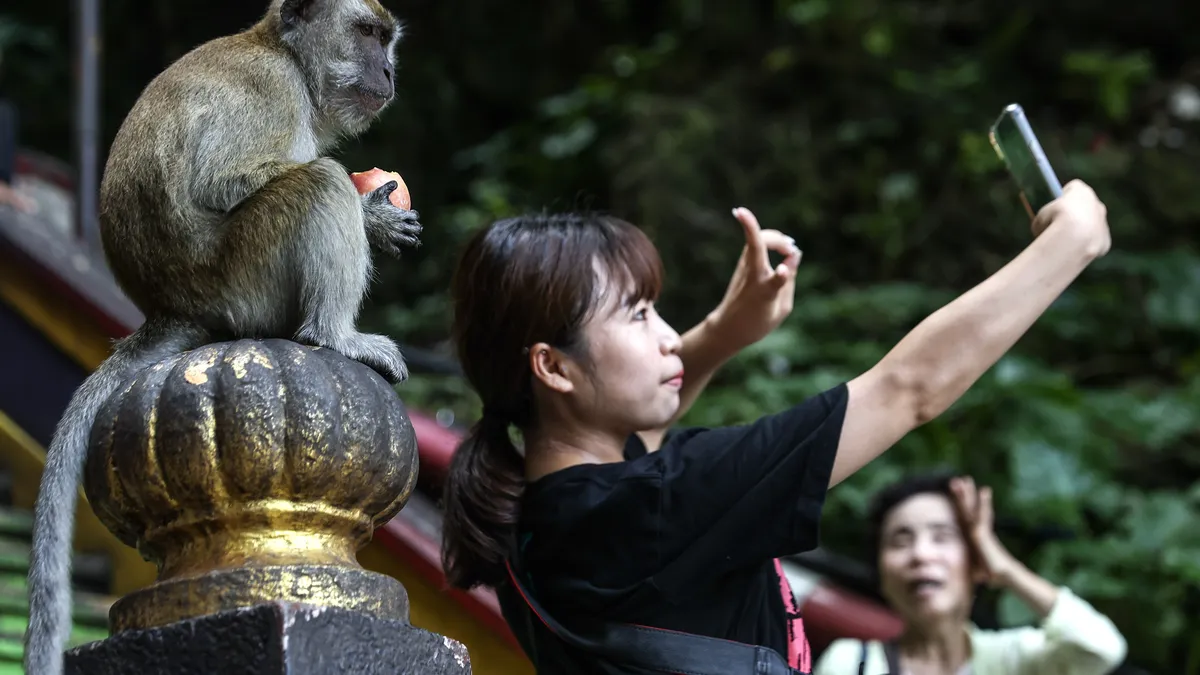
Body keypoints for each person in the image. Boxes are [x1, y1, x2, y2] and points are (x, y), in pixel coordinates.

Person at [440, 180, 1112, 675]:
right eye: (639, 314)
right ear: (554, 367)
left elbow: (634, 445)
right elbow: (909, 389)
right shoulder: (656, 504)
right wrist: (1068, 244)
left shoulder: (546, 522)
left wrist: (726, 331)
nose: (671, 337)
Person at [813, 473, 1127, 675]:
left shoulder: (1014, 659)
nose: (921, 554)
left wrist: (1005, 567)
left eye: (942, 536)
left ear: (976, 563)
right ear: (881, 571)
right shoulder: (851, 664)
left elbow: (1100, 648)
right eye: (901, 540)